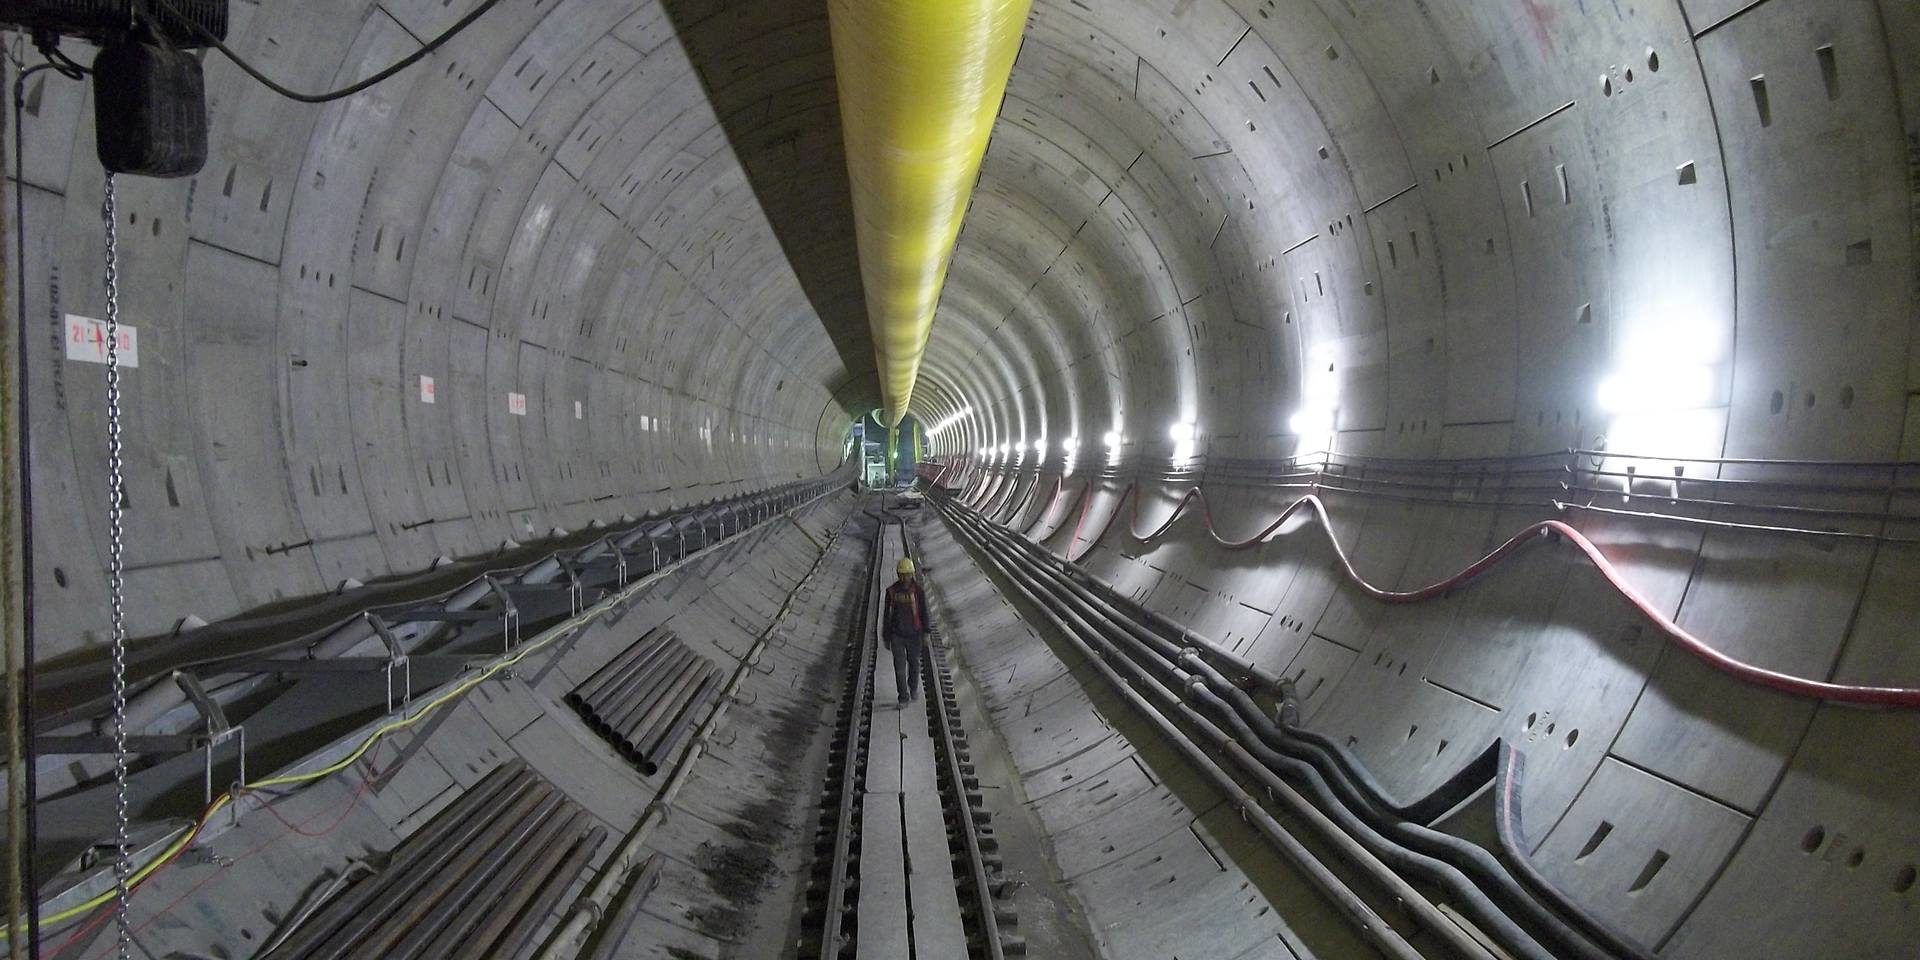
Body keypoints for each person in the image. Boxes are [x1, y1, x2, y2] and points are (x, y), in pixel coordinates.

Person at [883, 556, 930, 704]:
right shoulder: (891, 592)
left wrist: (926, 632)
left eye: (908, 574)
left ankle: (913, 687)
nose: (905, 578)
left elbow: (924, 612)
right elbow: (887, 615)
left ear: (912, 574)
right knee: (899, 668)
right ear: (899, 575)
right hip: (897, 635)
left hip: (914, 634)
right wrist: (886, 636)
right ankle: (903, 697)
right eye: (903, 575)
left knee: (914, 664)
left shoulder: (918, 592)